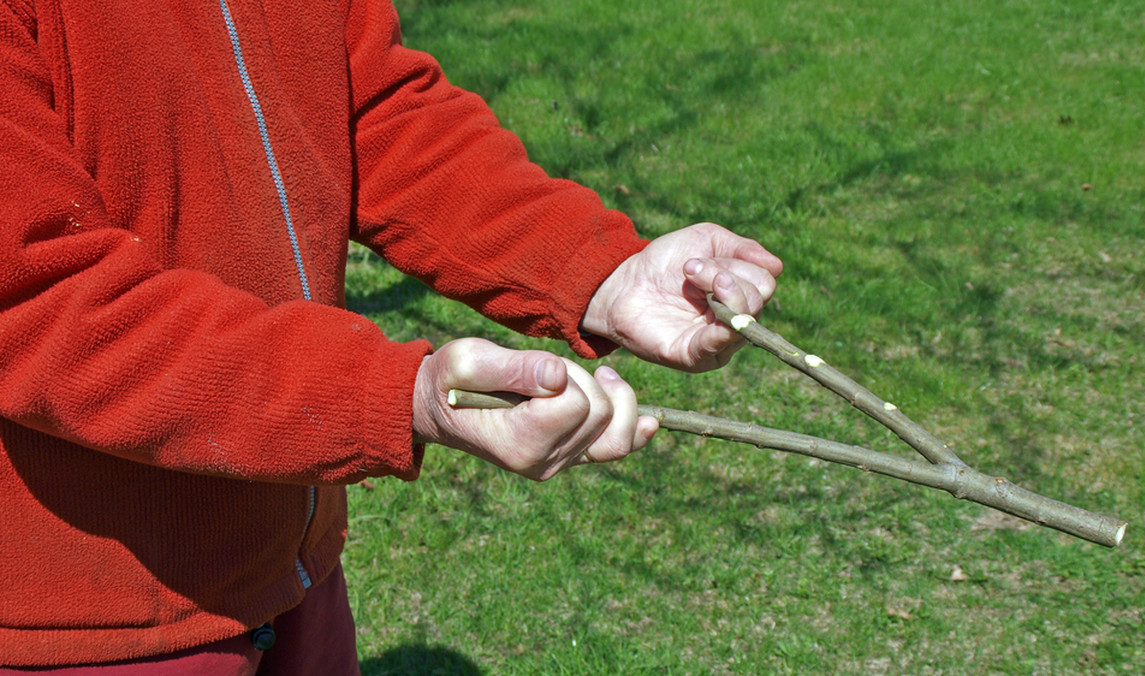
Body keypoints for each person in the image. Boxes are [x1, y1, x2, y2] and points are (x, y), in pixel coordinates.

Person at [0, 0, 781, 672]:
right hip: (90, 620)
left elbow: (372, 112)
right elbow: (36, 300)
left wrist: (598, 269)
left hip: (291, 554)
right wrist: (385, 396)